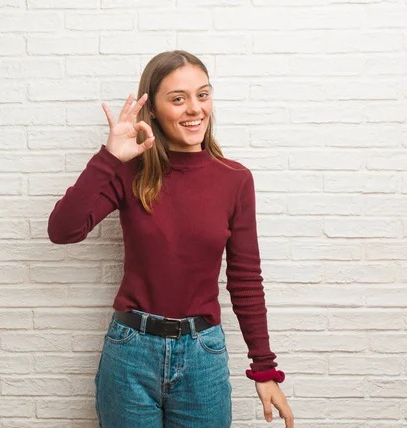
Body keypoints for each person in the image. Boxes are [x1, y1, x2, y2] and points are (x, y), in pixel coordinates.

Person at [47, 50, 294, 428]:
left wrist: (264, 366)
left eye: (203, 94)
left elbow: (245, 278)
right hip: (131, 352)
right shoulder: (131, 171)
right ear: (156, 110)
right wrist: (110, 156)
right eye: (178, 99)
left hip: (203, 355)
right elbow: (63, 230)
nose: (194, 108)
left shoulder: (234, 179)